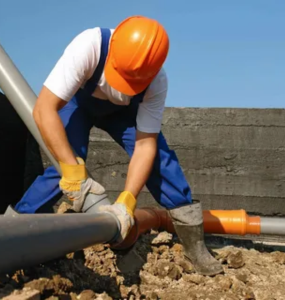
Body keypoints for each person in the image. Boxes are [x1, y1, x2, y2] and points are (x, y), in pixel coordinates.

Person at [14, 16, 223, 276]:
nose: (121, 86)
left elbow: (146, 145)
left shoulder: (157, 81)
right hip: (79, 103)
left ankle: (195, 247)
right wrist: (72, 171)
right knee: (63, 162)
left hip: (125, 114)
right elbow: (44, 109)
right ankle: (14, 229)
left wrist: (127, 201)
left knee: (160, 159)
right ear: (113, 48)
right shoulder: (88, 46)